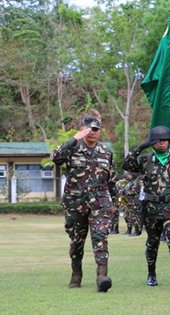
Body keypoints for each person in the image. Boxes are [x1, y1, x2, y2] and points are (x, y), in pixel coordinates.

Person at [52, 110, 117, 292]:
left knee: (100, 239)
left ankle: (102, 276)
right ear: (82, 129)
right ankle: (76, 274)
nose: (93, 132)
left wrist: (114, 205)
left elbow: (111, 179)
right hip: (75, 204)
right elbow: (55, 157)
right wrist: (74, 138)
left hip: (100, 204)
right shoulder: (72, 148)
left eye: (96, 129)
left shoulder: (106, 152)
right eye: (89, 129)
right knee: (76, 242)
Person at [122, 125, 170, 291]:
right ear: (152, 142)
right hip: (151, 208)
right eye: (157, 141)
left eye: (164, 140)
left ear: (169, 142)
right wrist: (142, 146)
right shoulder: (145, 161)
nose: (161, 143)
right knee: (152, 243)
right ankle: (151, 274)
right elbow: (126, 164)